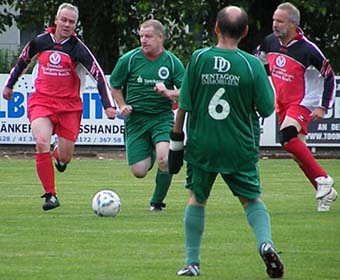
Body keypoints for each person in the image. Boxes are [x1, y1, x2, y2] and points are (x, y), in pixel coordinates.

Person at [168, 6, 284, 278]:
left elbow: (184, 104)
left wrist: (176, 141)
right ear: (245, 32)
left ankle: (192, 262)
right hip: (239, 145)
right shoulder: (251, 64)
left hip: (202, 143)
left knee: (197, 199)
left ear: (216, 29)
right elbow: (267, 109)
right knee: (252, 200)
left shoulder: (199, 58)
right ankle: (265, 243)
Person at [2, 3, 117, 211]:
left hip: (69, 107)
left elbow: (98, 75)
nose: (66, 24)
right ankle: (50, 195)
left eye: (71, 22)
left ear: (75, 25)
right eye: (63, 20)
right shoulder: (40, 41)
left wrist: (108, 105)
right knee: (41, 141)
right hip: (42, 101)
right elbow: (22, 61)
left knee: (65, 157)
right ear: (55, 20)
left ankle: (58, 155)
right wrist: (10, 85)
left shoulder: (78, 48)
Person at [255, 2, 337, 212]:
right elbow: (258, 64)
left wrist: (322, 106)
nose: (274, 24)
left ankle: (324, 179)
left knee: (287, 136)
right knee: (297, 153)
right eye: (274, 20)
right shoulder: (270, 42)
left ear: (293, 24)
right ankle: (325, 190)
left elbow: (329, 76)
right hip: (282, 102)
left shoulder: (308, 49)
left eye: (279, 21)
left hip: (303, 101)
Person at [109, 19, 185, 212]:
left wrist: (168, 93)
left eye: (148, 36)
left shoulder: (171, 62)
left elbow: (187, 91)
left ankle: (157, 202)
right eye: (141, 36)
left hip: (161, 117)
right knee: (139, 171)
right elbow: (115, 85)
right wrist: (122, 105)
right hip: (136, 120)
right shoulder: (129, 59)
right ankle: (152, 149)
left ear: (160, 38)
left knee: (165, 160)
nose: (143, 40)